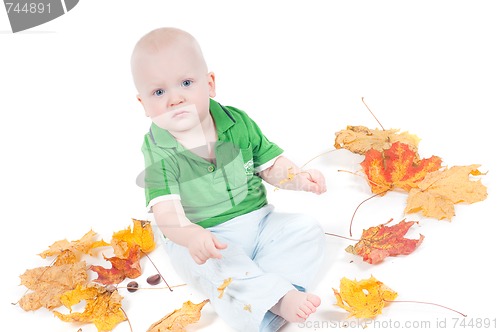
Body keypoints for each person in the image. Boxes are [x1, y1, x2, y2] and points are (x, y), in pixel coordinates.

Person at [131, 27, 327, 332]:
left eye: (185, 83)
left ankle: (265, 294)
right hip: (203, 238)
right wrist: (192, 236)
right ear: (143, 103)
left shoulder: (237, 123)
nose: (175, 98)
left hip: (259, 221)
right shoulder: (158, 149)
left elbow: (269, 165)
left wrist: (298, 178)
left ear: (209, 84)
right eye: (159, 92)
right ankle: (272, 302)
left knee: (306, 230)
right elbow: (166, 212)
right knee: (216, 266)